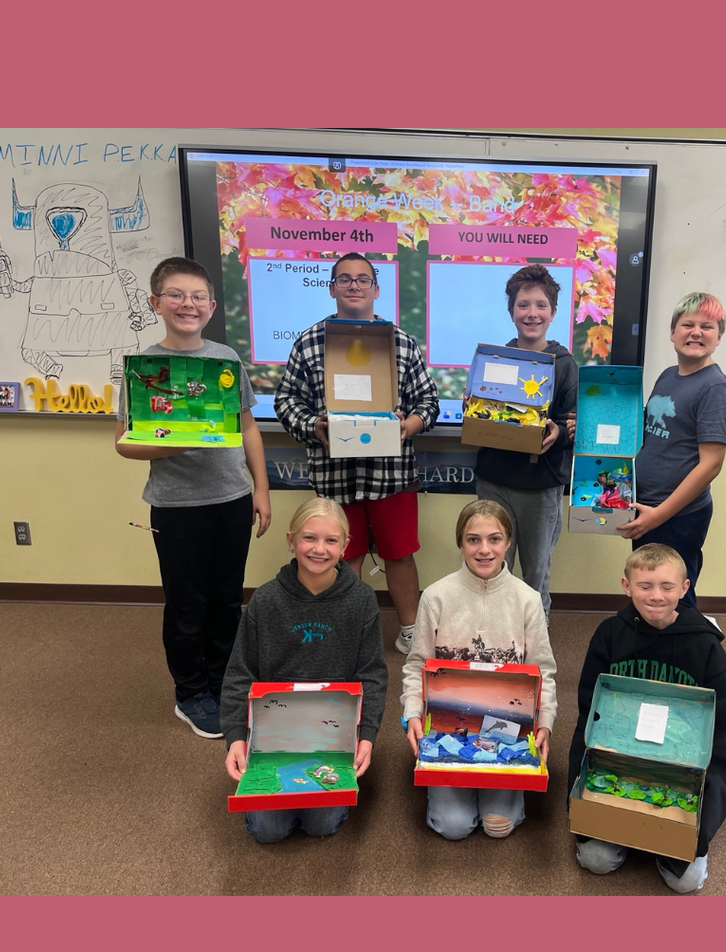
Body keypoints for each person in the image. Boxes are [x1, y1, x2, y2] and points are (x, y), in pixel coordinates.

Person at [114, 257, 271, 739]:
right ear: (155, 303)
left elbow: (247, 427)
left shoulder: (225, 360)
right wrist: (180, 440)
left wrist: (260, 488)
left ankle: (224, 681)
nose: (188, 304)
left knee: (226, 599)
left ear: (212, 305)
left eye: (198, 296)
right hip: (177, 506)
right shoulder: (145, 369)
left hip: (232, 498)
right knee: (187, 603)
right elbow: (125, 442)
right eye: (177, 295)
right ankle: (191, 692)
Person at [274, 252, 439, 656]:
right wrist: (316, 426)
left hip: (392, 474)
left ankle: (410, 631)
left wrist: (408, 426)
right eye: (344, 279)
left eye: (362, 279)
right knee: (342, 557)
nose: (353, 285)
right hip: (334, 476)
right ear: (331, 288)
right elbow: (286, 402)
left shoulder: (401, 342)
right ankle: (348, 633)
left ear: (376, 289)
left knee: (399, 555)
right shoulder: (309, 342)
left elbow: (429, 403)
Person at [567, 543, 726, 892]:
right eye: (645, 586)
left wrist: (700, 830)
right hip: (620, 764)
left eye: (666, 587)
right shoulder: (609, 634)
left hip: (681, 769)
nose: (656, 596)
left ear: (685, 588)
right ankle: (630, 832)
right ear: (626, 585)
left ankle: (667, 840)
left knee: (687, 882)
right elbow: (588, 713)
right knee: (595, 861)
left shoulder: (706, 647)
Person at [221, 497, 388, 843]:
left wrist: (367, 737)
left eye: (331, 540)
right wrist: (236, 737)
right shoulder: (265, 601)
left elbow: (372, 674)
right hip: (273, 734)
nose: (319, 549)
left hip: (333, 736)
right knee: (268, 831)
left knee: (322, 824)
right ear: (291, 540)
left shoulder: (362, 600)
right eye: (309, 538)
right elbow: (240, 674)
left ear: (345, 545)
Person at [567, 292, 726, 607]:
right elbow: (638, 433)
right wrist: (589, 430)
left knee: (672, 597)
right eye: (687, 325)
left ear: (719, 337)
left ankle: (683, 653)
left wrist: (659, 515)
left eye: (707, 326)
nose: (696, 332)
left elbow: (710, 465)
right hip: (646, 507)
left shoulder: (715, 388)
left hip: (677, 516)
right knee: (646, 589)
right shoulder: (668, 376)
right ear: (673, 333)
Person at [401, 499, 558, 840]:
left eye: (494, 539)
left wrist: (544, 722)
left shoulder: (528, 600)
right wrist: (413, 712)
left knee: (496, 826)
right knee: (454, 827)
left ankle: (493, 792)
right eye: (473, 539)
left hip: (509, 731)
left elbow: (543, 670)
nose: (484, 550)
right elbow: (417, 665)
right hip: (447, 728)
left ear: (508, 543)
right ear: (460, 543)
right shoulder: (436, 597)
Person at [474, 265, 578, 621]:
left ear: (553, 312)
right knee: (490, 568)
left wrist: (559, 433)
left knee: (536, 574)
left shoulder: (566, 365)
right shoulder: (494, 360)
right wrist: (474, 405)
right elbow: (482, 411)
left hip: (540, 486)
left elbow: (576, 424)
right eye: (523, 305)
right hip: (494, 481)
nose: (531, 313)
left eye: (540, 305)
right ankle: (490, 637)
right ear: (511, 310)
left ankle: (534, 645)